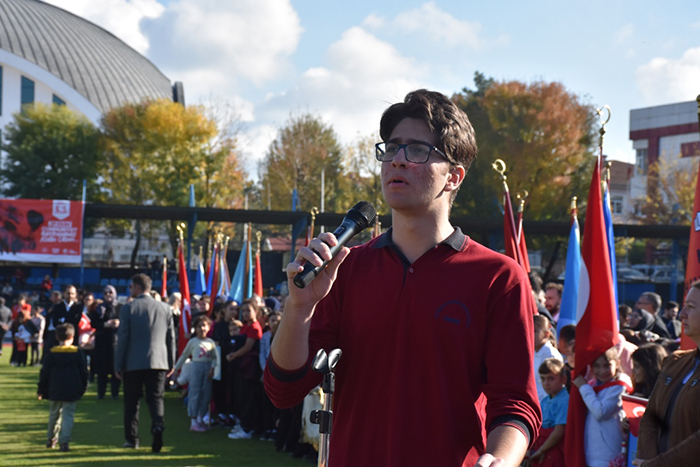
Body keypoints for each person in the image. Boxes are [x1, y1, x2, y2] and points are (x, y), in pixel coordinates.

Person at [264, 89, 541, 467]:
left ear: (453, 176)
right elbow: (283, 391)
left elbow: (516, 403)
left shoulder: (499, 278)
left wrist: (501, 459)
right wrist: (299, 309)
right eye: (392, 148)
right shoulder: (343, 270)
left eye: (418, 150)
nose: (397, 160)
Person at [633, 282, 700, 466]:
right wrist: (648, 461)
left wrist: (656, 464)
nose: (682, 314)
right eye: (684, 305)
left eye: (691, 307)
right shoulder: (675, 361)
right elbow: (650, 417)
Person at [114, 274, 175, 453]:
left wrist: (118, 364)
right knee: (156, 399)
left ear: (137, 287)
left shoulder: (128, 308)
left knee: (132, 402)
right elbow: (170, 338)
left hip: (133, 362)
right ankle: (157, 426)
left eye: (131, 286)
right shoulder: (165, 308)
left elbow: (123, 338)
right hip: (159, 362)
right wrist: (171, 363)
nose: (130, 290)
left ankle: (132, 439)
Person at [572, 347, 630, 467]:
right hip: (592, 452)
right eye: (597, 366)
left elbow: (601, 412)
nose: (602, 371)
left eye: (607, 366)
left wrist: (583, 387)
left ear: (617, 363)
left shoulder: (619, 387)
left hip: (608, 454)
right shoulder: (593, 385)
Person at [37, 324, 88, 452]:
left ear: (56, 337)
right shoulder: (77, 353)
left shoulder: (51, 353)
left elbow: (44, 372)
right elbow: (83, 372)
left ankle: (51, 438)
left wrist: (41, 389)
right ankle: (64, 441)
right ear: (72, 337)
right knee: (68, 415)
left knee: (54, 414)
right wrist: (83, 386)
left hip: (55, 387)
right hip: (71, 388)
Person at [173, 314, 220, 432]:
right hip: (196, 368)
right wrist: (176, 368)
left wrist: (212, 368)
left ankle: (200, 418)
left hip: (207, 368)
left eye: (204, 326)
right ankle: (193, 420)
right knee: (195, 393)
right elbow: (184, 355)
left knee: (206, 394)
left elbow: (215, 357)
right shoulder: (193, 342)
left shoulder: (210, 342)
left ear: (208, 328)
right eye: (199, 326)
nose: (202, 329)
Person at [227, 300, 264, 440]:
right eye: (244, 311)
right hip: (241, 367)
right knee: (240, 397)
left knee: (247, 398)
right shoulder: (244, 326)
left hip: (249, 368)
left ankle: (247, 428)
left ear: (255, 311)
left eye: (249, 310)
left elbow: (248, 347)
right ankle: (242, 424)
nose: (246, 313)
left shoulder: (254, 327)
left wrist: (233, 355)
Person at [528, 358, 568, 467]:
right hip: (539, 448)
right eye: (543, 379)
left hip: (553, 449)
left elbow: (559, 431)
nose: (546, 383)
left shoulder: (565, 400)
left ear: (563, 379)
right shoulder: (544, 401)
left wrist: (541, 450)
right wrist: (529, 450)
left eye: (551, 379)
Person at [90, 285, 121, 399]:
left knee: (115, 369)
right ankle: (101, 393)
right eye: (105, 293)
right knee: (101, 370)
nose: (108, 295)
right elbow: (93, 323)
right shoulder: (99, 308)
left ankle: (115, 393)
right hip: (102, 343)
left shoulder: (120, 307)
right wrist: (105, 324)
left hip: (116, 342)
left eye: (110, 293)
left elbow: (126, 321)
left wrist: (118, 323)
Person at [533, 315, 563, 401]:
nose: (530, 335)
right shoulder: (534, 352)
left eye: (534, 331)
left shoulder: (551, 355)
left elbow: (554, 388)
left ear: (546, 334)